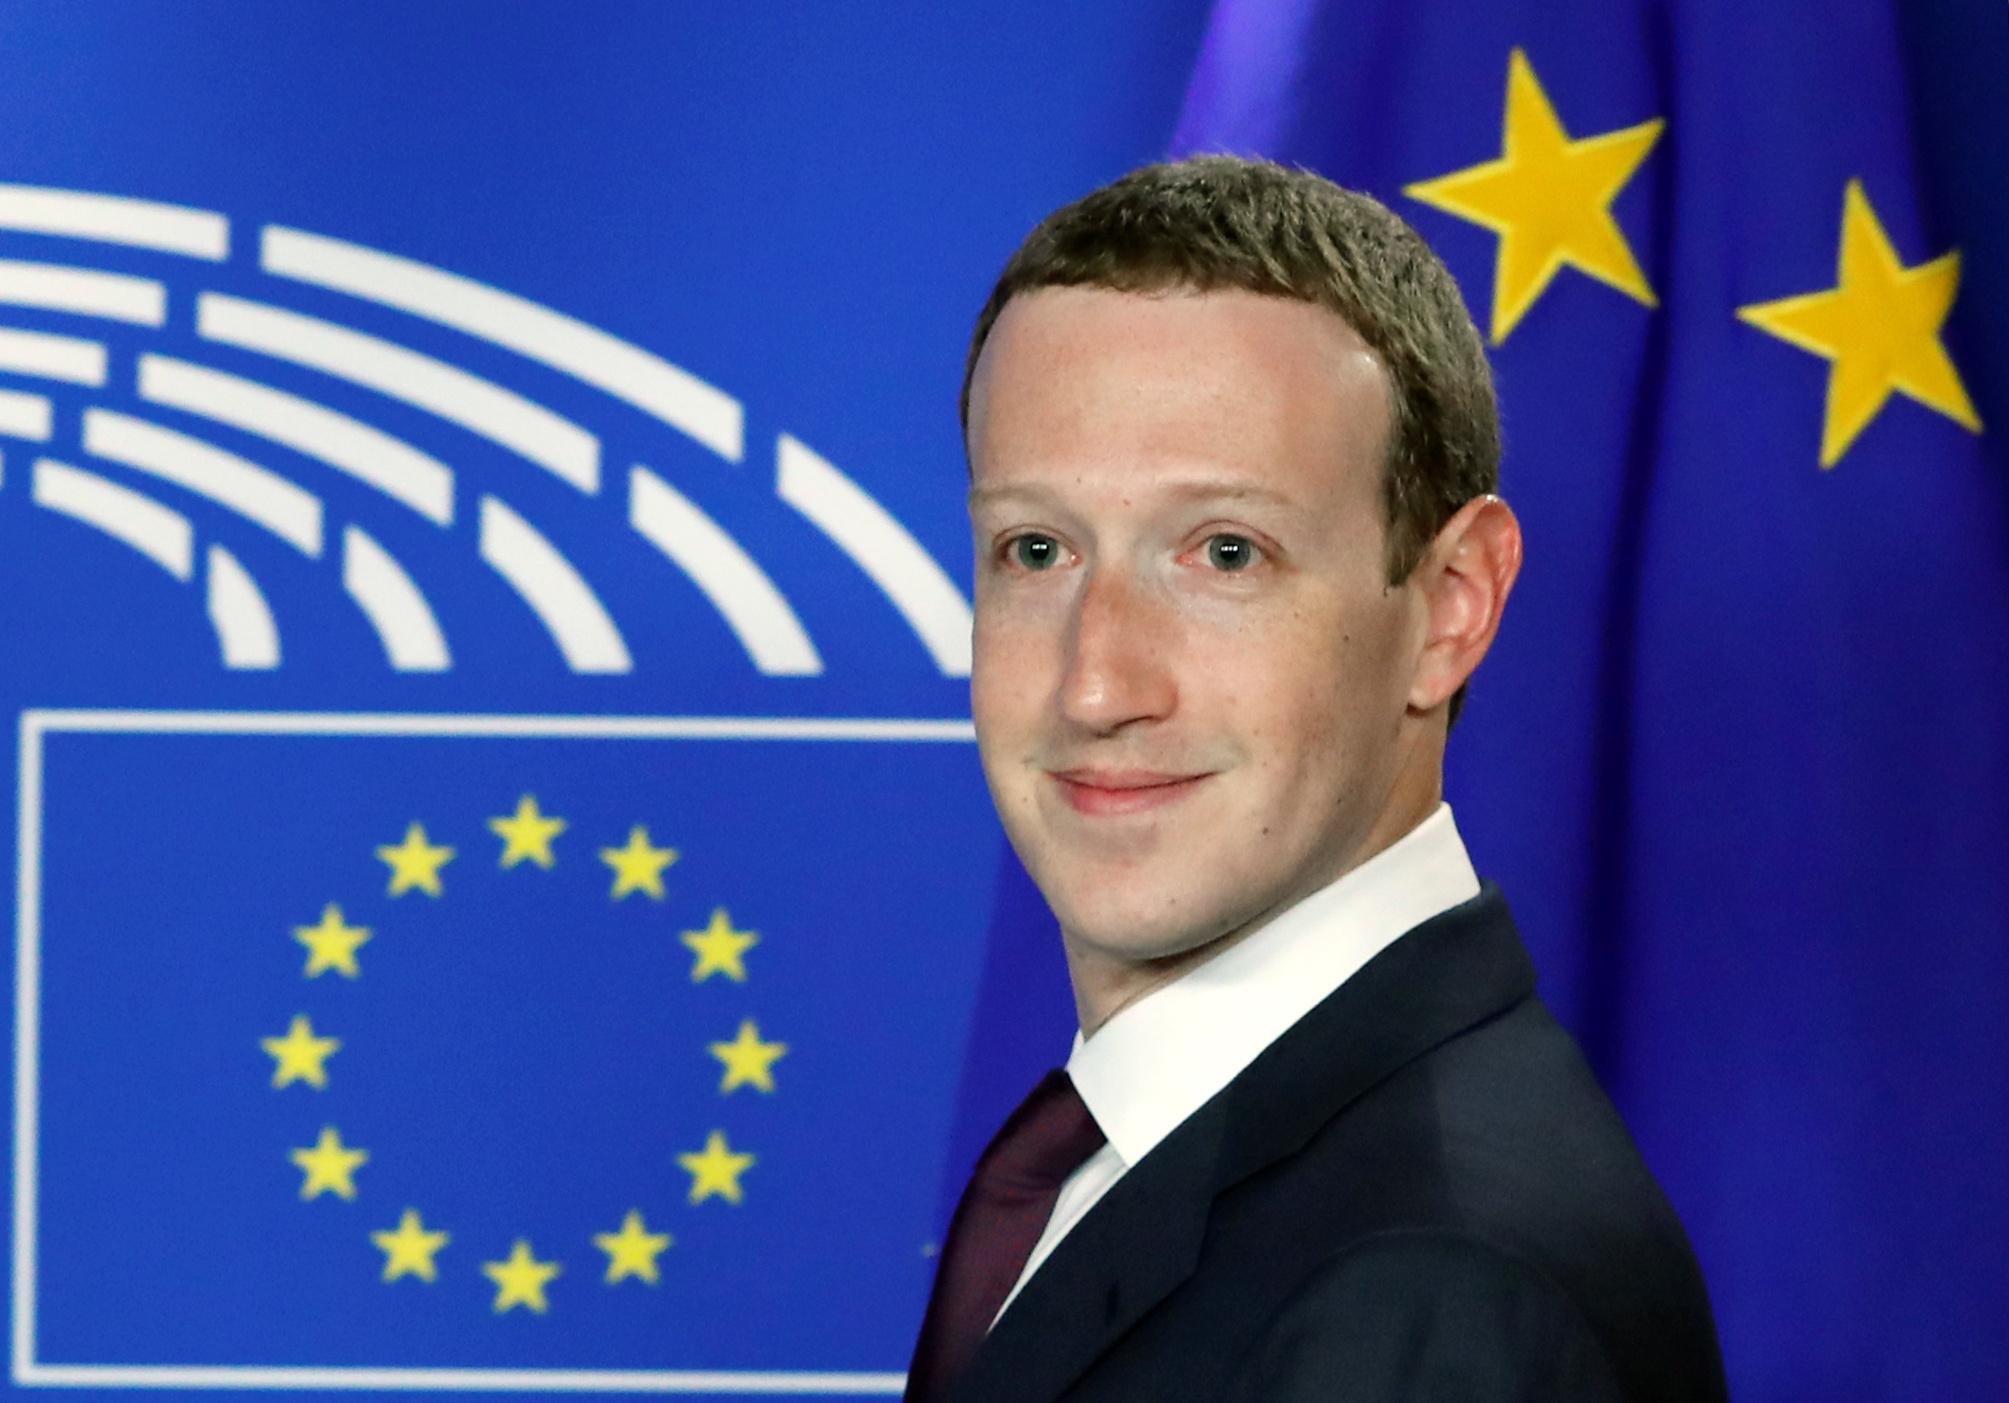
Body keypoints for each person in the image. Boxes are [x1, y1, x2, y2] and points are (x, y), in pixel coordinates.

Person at [906, 157, 1728, 1402]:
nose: (1092, 684)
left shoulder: (1431, 1291)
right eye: (1035, 548)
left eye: (1224, 552)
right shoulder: (1164, 1159)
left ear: (1450, 605)